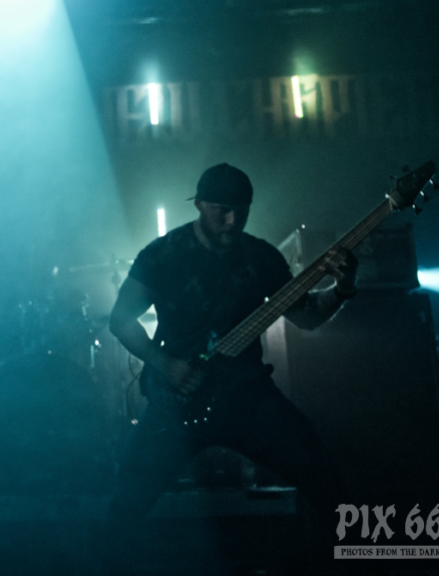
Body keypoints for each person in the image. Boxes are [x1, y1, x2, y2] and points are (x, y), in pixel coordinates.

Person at [106, 163, 357, 573]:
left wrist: (343, 288)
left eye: (241, 210)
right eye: (221, 210)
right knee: (125, 503)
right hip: (177, 399)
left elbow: (308, 317)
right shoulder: (162, 254)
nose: (232, 221)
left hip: (246, 398)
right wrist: (166, 364)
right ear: (199, 205)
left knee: (324, 477)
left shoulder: (261, 257)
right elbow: (120, 319)